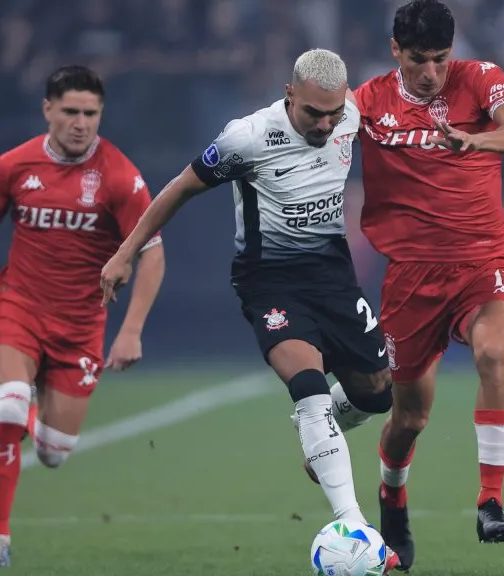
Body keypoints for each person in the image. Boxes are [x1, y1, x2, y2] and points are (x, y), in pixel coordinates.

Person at [99, 48, 400, 574]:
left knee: (377, 394)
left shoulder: (352, 114)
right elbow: (180, 188)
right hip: (270, 283)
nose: (326, 124)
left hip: (333, 277)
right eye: (314, 114)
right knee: (306, 388)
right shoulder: (247, 138)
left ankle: (319, 430)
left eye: (334, 114)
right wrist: (126, 252)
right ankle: (353, 525)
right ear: (289, 95)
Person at [345, 0, 504, 566]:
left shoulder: (480, 79)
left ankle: (491, 500)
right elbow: (316, 134)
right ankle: (392, 494)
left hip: (485, 262)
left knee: (493, 351)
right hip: (411, 279)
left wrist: (475, 141)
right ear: (395, 51)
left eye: (440, 58)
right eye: (419, 60)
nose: (432, 72)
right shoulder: (366, 103)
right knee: (408, 417)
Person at [0, 65, 166, 569]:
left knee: (53, 452)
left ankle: (30, 411)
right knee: (5, 408)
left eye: (90, 113)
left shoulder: (120, 176)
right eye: (70, 111)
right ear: (47, 109)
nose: (81, 123)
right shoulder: (14, 165)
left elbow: (152, 252)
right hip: (18, 307)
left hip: (80, 327)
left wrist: (130, 331)